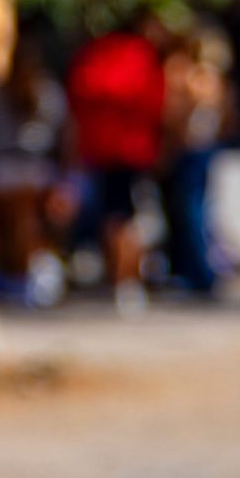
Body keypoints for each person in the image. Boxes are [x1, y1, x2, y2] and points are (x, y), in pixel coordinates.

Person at [64, 17, 168, 315]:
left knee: (114, 216)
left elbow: (77, 104)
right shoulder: (141, 55)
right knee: (129, 219)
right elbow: (156, 104)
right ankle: (127, 280)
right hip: (133, 152)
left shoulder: (93, 54)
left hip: (100, 150)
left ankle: (121, 278)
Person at [0, 37, 71, 307]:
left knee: (26, 209)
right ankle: (16, 272)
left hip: (37, 168)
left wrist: (66, 182)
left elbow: (66, 142)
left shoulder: (49, 95)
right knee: (17, 208)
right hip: (0, 166)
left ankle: (27, 271)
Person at [160, 23, 237, 297]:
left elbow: (179, 116)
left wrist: (172, 142)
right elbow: (230, 116)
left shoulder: (195, 77)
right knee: (200, 211)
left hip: (191, 150)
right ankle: (197, 271)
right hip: (206, 148)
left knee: (191, 213)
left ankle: (200, 274)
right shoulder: (217, 79)